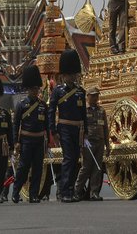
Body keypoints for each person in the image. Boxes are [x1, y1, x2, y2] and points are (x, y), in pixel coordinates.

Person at [48, 50, 87, 203]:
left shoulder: (80, 92)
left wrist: (86, 132)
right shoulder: (58, 91)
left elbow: (83, 114)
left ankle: (69, 189)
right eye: (69, 74)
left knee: (75, 158)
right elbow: (51, 111)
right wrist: (53, 131)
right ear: (64, 75)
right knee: (69, 158)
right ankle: (65, 190)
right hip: (64, 128)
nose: (72, 77)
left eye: (73, 74)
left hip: (78, 130)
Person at [12, 66, 47, 203]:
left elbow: (47, 125)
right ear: (28, 89)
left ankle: (34, 194)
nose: (35, 91)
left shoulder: (43, 105)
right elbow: (16, 125)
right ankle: (16, 192)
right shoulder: (21, 105)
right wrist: (16, 141)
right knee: (23, 168)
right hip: (26, 140)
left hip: (39, 140)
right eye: (32, 89)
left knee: (38, 169)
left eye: (36, 89)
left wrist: (48, 142)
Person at [75, 86, 110, 201]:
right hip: (87, 142)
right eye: (93, 95)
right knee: (86, 167)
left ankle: (94, 192)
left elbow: (105, 128)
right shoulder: (83, 110)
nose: (95, 98)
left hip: (99, 141)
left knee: (97, 168)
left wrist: (107, 145)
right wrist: (81, 144)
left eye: (97, 95)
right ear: (88, 96)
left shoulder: (101, 110)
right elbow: (80, 128)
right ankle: (77, 191)